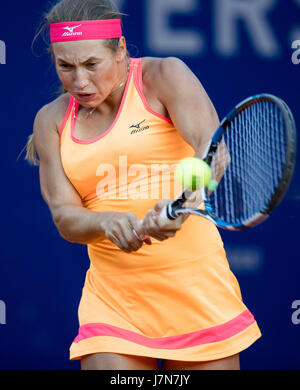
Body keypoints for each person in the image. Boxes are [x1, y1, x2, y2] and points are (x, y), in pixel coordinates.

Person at [26, 0, 261, 370]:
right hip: (113, 303)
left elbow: (212, 150)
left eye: (91, 64)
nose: (80, 81)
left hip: (197, 290)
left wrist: (185, 203)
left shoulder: (164, 74)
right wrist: (106, 222)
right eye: (65, 66)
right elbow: (64, 216)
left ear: (120, 50)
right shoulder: (50, 121)